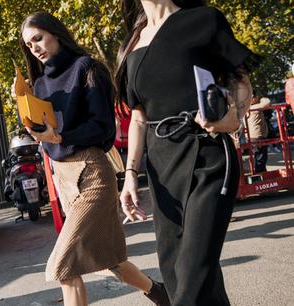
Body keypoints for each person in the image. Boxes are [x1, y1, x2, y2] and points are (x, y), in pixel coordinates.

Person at [16, 12, 170, 306]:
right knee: (107, 258)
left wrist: (60, 136)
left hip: (92, 174)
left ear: (55, 33)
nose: (35, 47)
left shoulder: (86, 68)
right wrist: (39, 132)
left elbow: (103, 128)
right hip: (63, 179)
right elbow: (48, 132)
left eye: (38, 38)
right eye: (29, 44)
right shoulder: (37, 84)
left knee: (63, 266)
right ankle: (160, 293)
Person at [115, 1, 259, 305]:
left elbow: (241, 81)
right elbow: (139, 119)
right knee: (178, 273)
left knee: (192, 275)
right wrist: (130, 176)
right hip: (162, 169)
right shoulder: (132, 42)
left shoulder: (203, 20)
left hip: (207, 158)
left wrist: (234, 115)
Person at [247, 93, 270, 172]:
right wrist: (262, 98)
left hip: (254, 136)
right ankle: (260, 175)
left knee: (260, 157)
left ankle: (262, 173)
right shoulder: (253, 107)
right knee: (260, 158)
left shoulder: (247, 108)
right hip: (257, 136)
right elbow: (267, 102)